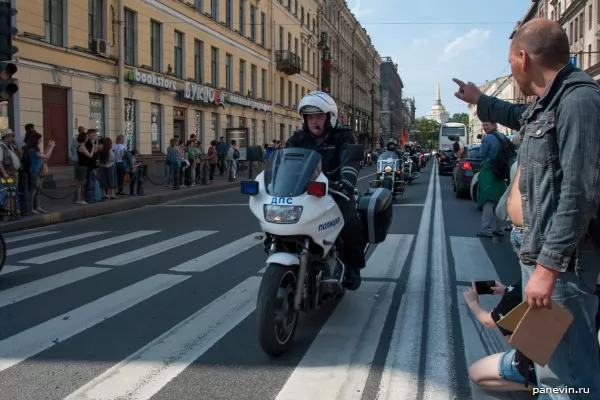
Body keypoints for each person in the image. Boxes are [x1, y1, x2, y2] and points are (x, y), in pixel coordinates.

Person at [453, 18, 600, 398]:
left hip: (563, 266)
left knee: (568, 379)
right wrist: (478, 99)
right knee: (550, 366)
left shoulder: (580, 100)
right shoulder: (549, 102)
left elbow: (579, 192)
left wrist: (548, 268)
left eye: (509, 59)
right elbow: (518, 117)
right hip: (539, 257)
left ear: (522, 58)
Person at [286, 91, 365, 290]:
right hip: (304, 193)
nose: (314, 122)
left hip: (335, 191)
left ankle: (354, 266)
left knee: (350, 223)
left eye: (318, 116)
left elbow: (351, 158)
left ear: (330, 117)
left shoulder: (343, 135)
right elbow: (283, 160)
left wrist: (347, 181)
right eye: (309, 117)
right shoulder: (298, 138)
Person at [463, 279, 537, 392]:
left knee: (474, 373)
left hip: (532, 361)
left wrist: (473, 303)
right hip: (561, 352)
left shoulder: (522, 287)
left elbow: (488, 321)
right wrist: (507, 290)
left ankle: (535, 388)